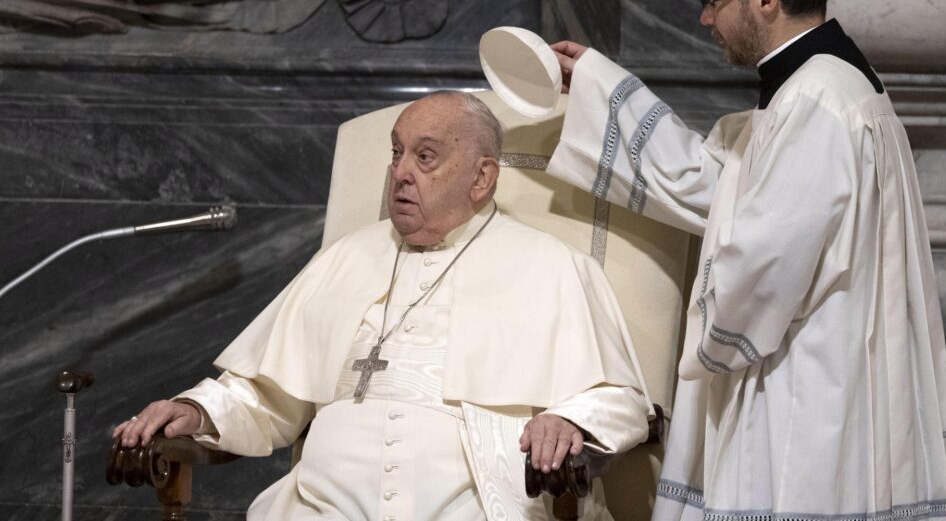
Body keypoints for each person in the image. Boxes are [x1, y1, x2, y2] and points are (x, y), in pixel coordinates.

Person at [546, 0, 946, 520]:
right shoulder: (818, 86)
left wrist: (705, 329)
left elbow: (761, 265)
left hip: (806, 389)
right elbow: (724, 186)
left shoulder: (814, 104)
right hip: (821, 370)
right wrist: (599, 84)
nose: (705, 18)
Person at [113, 90, 653, 520]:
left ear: (482, 178)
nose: (400, 173)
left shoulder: (551, 265)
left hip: (479, 504)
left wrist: (566, 417)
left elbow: (619, 397)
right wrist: (198, 410)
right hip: (319, 506)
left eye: (426, 157)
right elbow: (265, 393)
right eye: (397, 153)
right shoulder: (346, 258)